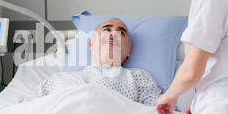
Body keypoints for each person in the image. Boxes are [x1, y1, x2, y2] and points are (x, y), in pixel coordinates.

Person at [19, 18, 161, 106]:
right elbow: (23, 109)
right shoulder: (57, 79)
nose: (113, 34)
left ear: (129, 50)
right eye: (107, 29)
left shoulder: (138, 78)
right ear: (91, 43)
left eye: (121, 32)